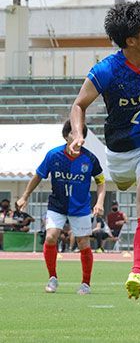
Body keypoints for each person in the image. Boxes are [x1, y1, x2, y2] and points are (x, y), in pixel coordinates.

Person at [69, 1, 140, 300]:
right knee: (123, 182)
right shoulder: (107, 71)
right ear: (131, 41)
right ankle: (125, 178)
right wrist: (78, 134)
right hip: (119, 151)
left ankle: (137, 271)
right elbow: (78, 105)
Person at [16, 120, 105, 295]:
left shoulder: (90, 158)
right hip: (57, 205)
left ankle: (85, 283)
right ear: (66, 136)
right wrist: (25, 196)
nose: (77, 136)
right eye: (73, 132)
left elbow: (101, 182)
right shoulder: (53, 155)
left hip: (80, 207)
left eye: (80, 133)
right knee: (51, 237)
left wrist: (100, 202)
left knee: (83, 242)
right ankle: (52, 278)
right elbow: (38, 176)